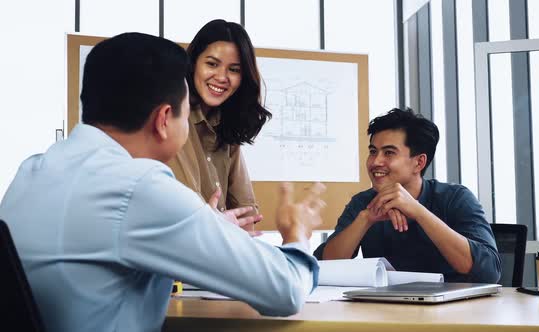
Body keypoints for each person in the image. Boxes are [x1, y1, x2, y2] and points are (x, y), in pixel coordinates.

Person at [0, 32, 325, 332]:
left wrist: (205, 224)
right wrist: (297, 235)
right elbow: (284, 290)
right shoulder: (138, 186)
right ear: (163, 120)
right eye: (185, 114)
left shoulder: (33, 171)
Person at [313, 108, 501, 283]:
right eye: (373, 152)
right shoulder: (363, 202)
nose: (376, 161)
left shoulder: (456, 198)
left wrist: (419, 212)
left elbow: (489, 271)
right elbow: (325, 267)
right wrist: (365, 219)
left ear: (419, 163)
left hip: (454, 312)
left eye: (388, 153)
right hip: (385, 310)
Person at [168, 19, 269, 232]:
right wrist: (218, 223)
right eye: (212, 64)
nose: (222, 77)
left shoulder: (226, 125)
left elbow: (246, 215)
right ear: (193, 63)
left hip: (220, 255)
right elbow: (187, 215)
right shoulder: (173, 119)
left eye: (234, 69)